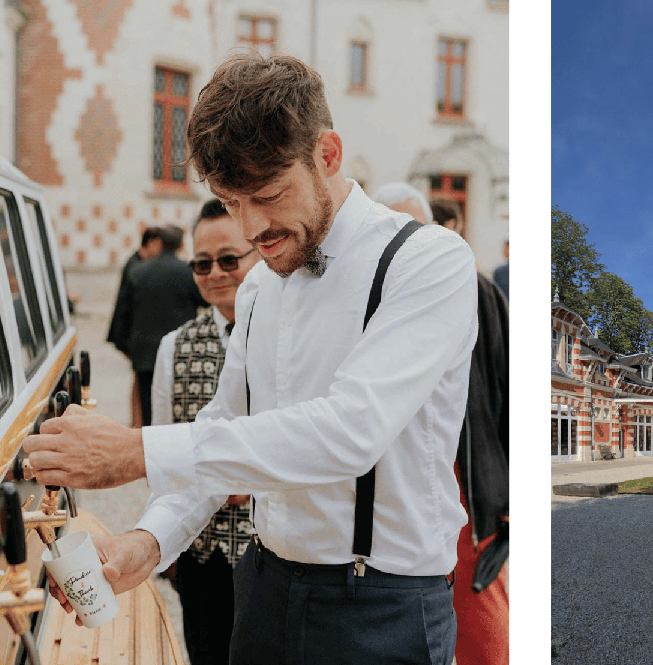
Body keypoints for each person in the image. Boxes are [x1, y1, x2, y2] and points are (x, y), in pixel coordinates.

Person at [26, 52, 477, 665]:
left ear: (328, 155)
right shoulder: (263, 282)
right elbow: (224, 430)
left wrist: (135, 450)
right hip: (262, 589)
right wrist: (149, 539)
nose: (251, 227)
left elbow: (350, 433)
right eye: (232, 202)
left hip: (379, 609)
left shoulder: (429, 262)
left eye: (268, 195)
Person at [379, 188, 510, 665]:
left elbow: (510, 393)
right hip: (395, 501)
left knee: (485, 639)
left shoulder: (479, 292)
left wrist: (509, 503)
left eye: (416, 231)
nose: (404, 246)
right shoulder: (363, 296)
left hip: (465, 492)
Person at [150, 199, 258, 665]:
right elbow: (162, 444)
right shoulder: (173, 346)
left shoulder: (288, 338)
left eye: (229, 260)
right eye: (202, 263)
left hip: (270, 550)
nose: (215, 273)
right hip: (200, 551)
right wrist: (161, 547)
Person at [108, 224, 207, 426]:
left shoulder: (138, 271)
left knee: (148, 407)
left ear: (160, 243)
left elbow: (123, 311)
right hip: (181, 350)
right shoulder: (187, 272)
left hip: (145, 353)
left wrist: (124, 344)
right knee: (179, 405)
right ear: (180, 245)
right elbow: (204, 300)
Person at [108, 226, 164, 427]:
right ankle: (136, 423)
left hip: (131, 335)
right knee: (140, 383)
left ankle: (136, 422)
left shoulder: (137, 262)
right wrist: (125, 341)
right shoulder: (136, 266)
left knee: (138, 381)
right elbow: (125, 307)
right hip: (132, 335)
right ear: (151, 243)